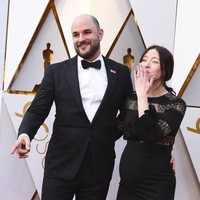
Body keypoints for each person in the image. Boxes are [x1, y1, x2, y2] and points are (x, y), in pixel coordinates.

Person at [11, 14, 132, 200]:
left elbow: (127, 113)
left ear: (100, 33)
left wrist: (107, 134)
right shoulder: (56, 71)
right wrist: (25, 134)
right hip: (60, 164)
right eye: (75, 34)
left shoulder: (122, 73)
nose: (81, 39)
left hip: (99, 166)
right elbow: (37, 109)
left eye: (87, 32)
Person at [116, 45, 186, 200]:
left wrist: (142, 95)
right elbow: (116, 129)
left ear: (165, 70)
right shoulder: (131, 98)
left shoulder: (176, 104)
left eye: (154, 61)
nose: (146, 64)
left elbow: (150, 134)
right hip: (127, 184)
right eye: (144, 60)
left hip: (156, 185)